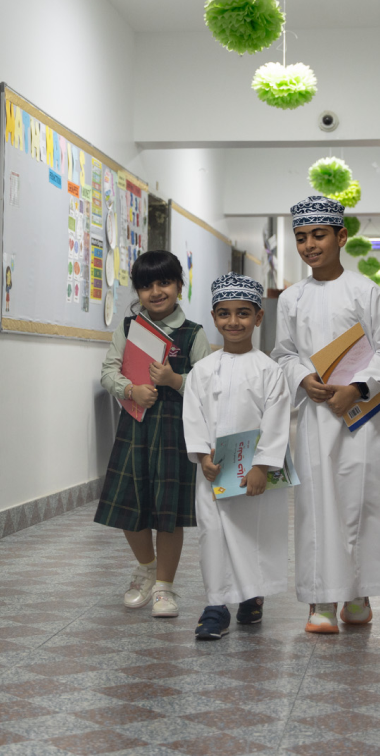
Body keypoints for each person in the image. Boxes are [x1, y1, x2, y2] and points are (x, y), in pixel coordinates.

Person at [271, 196, 380, 634]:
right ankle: (320, 601)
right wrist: (303, 379)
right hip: (315, 418)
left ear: (341, 236)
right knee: (317, 505)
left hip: (361, 417)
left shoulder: (367, 292)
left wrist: (358, 388)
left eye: (319, 235)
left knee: (361, 501)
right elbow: (285, 352)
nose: (310, 245)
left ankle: (358, 595)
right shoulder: (291, 299)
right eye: (301, 238)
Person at [95, 250, 211, 618]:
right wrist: (131, 391)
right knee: (130, 502)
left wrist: (176, 380)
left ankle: (164, 587)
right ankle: (145, 567)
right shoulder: (128, 329)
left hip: (176, 432)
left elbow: (209, 384)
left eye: (164, 283)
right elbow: (109, 371)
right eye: (146, 286)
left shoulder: (194, 333)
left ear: (179, 285)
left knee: (168, 511)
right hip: (136, 427)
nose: (156, 292)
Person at [182, 273, 292, 640]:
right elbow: (192, 415)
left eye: (243, 313)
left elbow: (277, 422)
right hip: (212, 472)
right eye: (224, 314)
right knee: (212, 535)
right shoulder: (202, 370)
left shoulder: (270, 371)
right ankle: (215, 606)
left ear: (258, 317)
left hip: (256, 477)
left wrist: (262, 465)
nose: (234, 322)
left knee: (252, 536)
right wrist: (201, 456)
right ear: (213, 317)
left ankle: (251, 595)